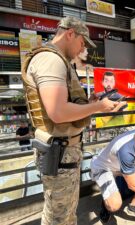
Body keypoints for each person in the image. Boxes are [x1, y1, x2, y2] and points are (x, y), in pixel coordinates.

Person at [22, 16, 125, 225]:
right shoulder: (51, 60)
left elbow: (60, 105)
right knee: (59, 217)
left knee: (64, 212)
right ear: (70, 33)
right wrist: (98, 106)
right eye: (82, 42)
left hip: (63, 152)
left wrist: (89, 102)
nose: (82, 49)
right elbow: (58, 112)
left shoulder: (56, 60)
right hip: (60, 153)